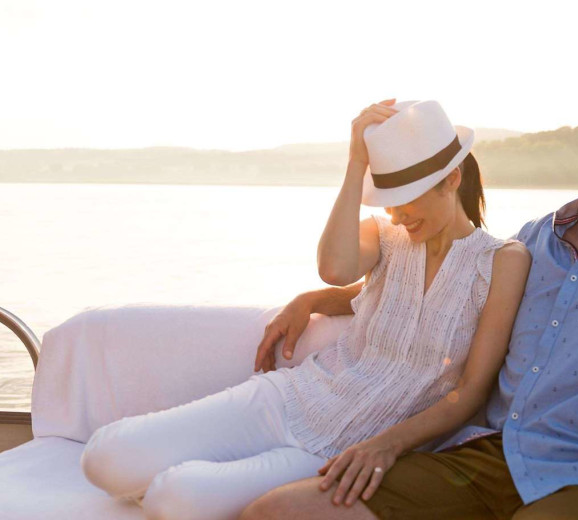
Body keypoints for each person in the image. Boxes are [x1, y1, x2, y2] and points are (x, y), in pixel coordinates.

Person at [239, 74, 578, 520]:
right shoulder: (533, 241)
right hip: (489, 456)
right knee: (277, 511)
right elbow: (446, 293)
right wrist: (316, 299)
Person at [79, 99, 531, 520]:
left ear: (452, 179)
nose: (398, 215)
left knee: (172, 498)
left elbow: (470, 392)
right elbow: (333, 269)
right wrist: (356, 164)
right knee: (103, 458)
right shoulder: (386, 236)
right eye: (389, 198)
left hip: (343, 447)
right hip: (291, 397)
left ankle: (190, 480)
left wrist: (384, 447)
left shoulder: (502, 261)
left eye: (407, 197)